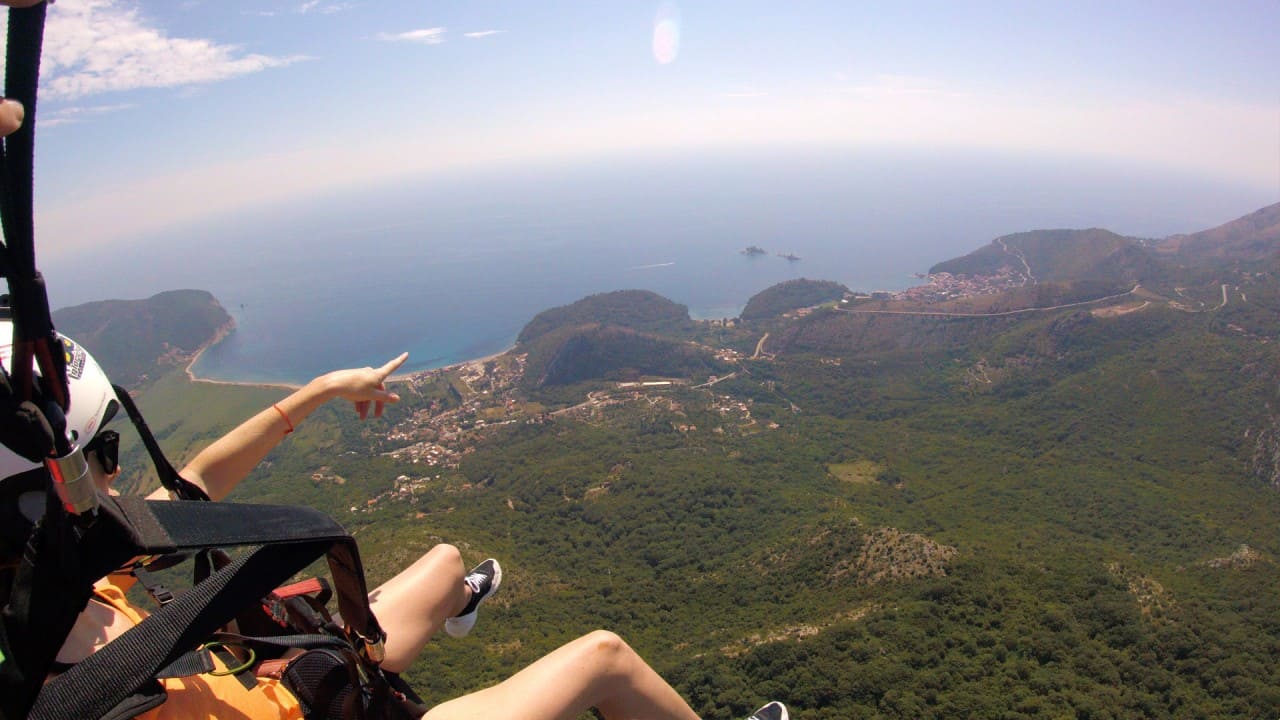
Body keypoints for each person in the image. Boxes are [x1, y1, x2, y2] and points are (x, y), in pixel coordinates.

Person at [0, 329, 787, 720]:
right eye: (105, 455)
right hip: (290, 698)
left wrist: (318, 390)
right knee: (604, 658)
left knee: (444, 561)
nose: (112, 482)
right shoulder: (61, 683)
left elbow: (198, 482)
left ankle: (456, 600)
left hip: (277, 678)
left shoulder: (71, 573)